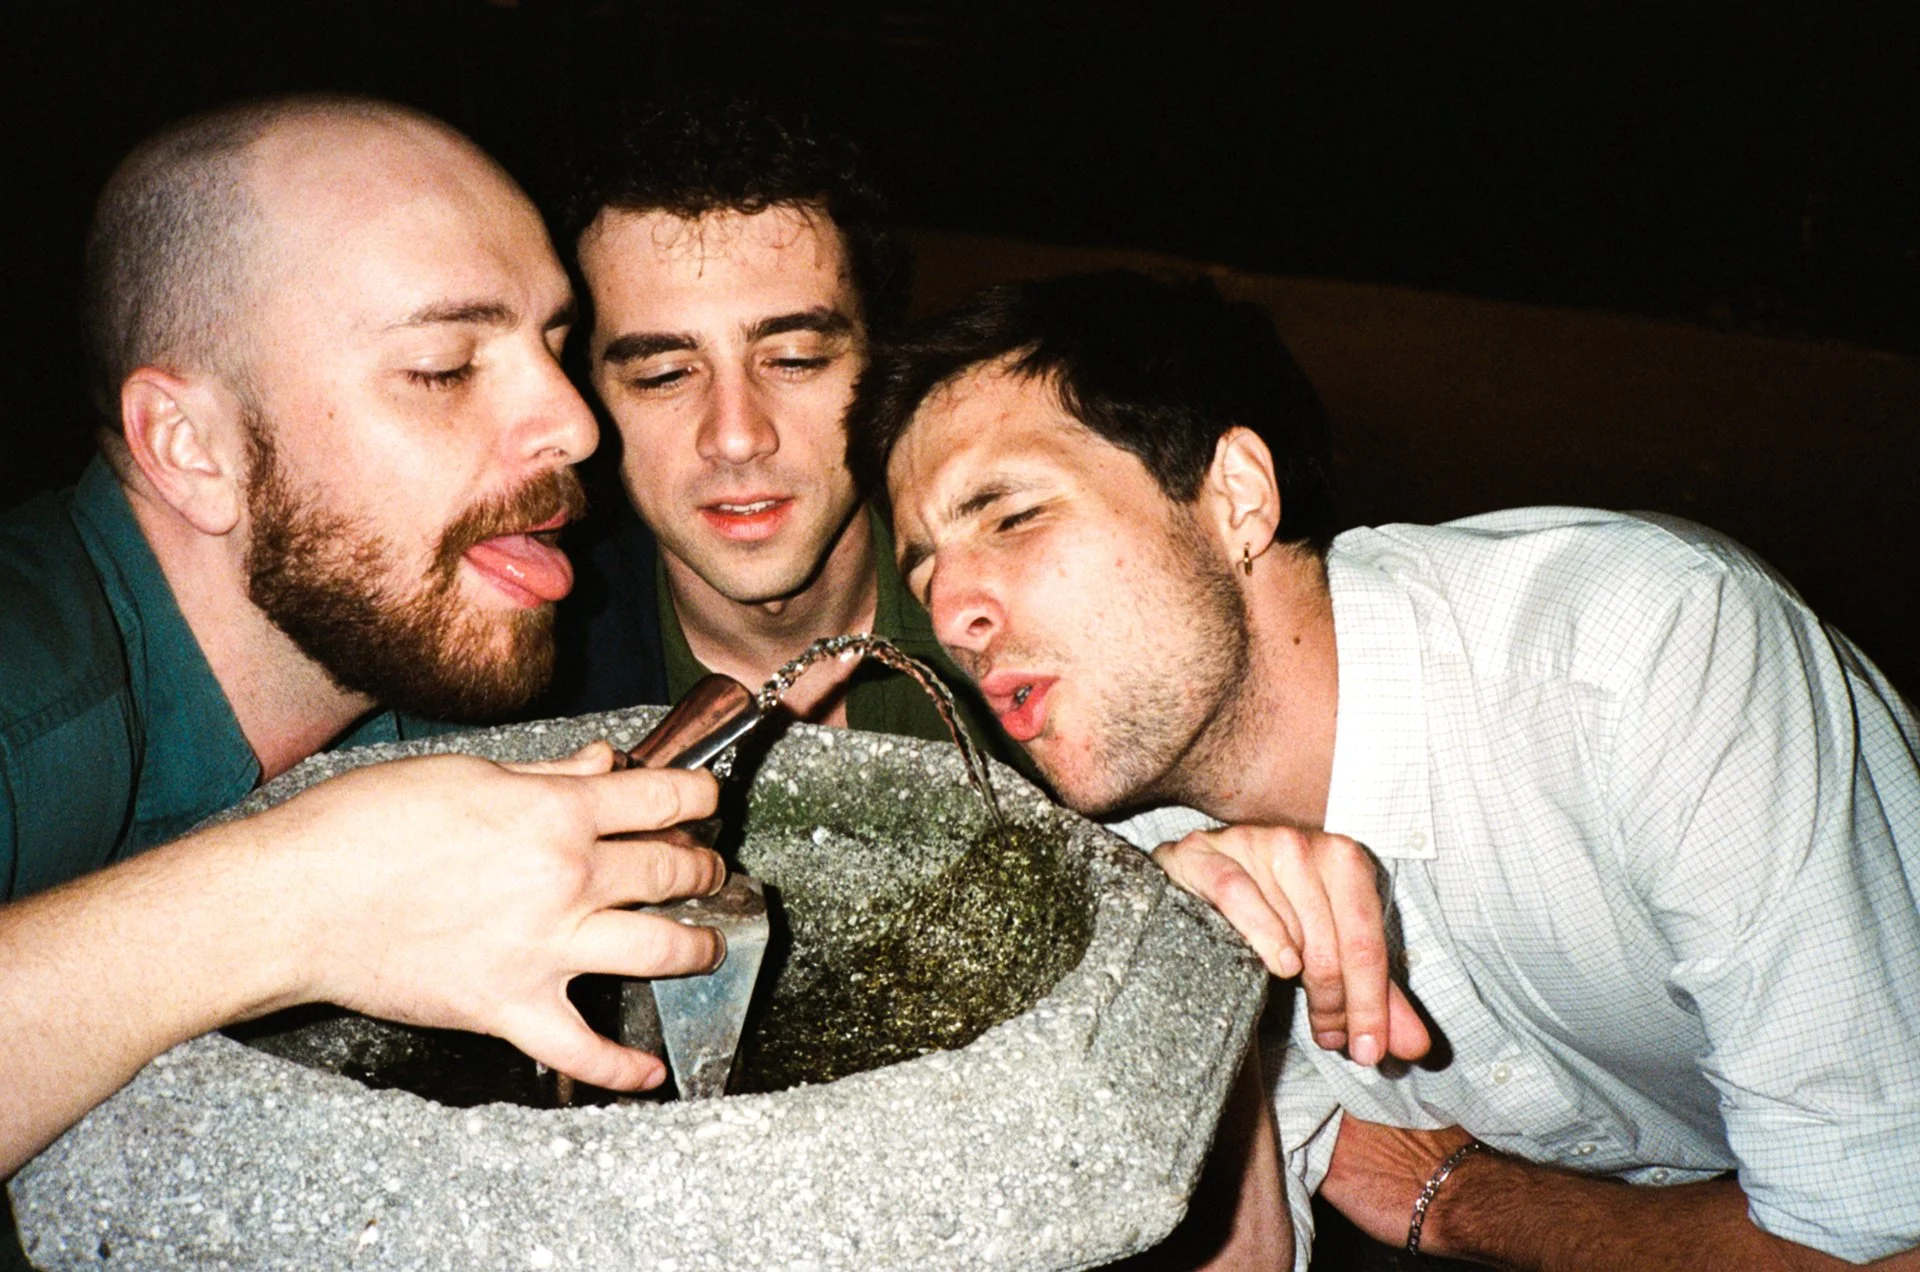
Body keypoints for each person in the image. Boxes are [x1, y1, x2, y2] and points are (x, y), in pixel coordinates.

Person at [849, 270, 1920, 1270]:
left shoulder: (1634, 656)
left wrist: (1463, 1200)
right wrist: (1188, 991)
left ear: (1237, 498)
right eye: (925, 568)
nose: (953, 616)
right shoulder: (1146, 860)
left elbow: (1873, 1242)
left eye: (1014, 517)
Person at [1, 96, 731, 1180]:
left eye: (555, 345)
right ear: (190, 445)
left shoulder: (421, 672)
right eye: (444, 367)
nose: (577, 425)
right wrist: (303, 896)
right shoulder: (24, 698)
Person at [539, 102, 1024, 772]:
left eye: (794, 360)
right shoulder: (523, 695)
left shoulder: (1031, 624)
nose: (737, 437)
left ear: (882, 367)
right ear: (586, 395)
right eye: (664, 375)